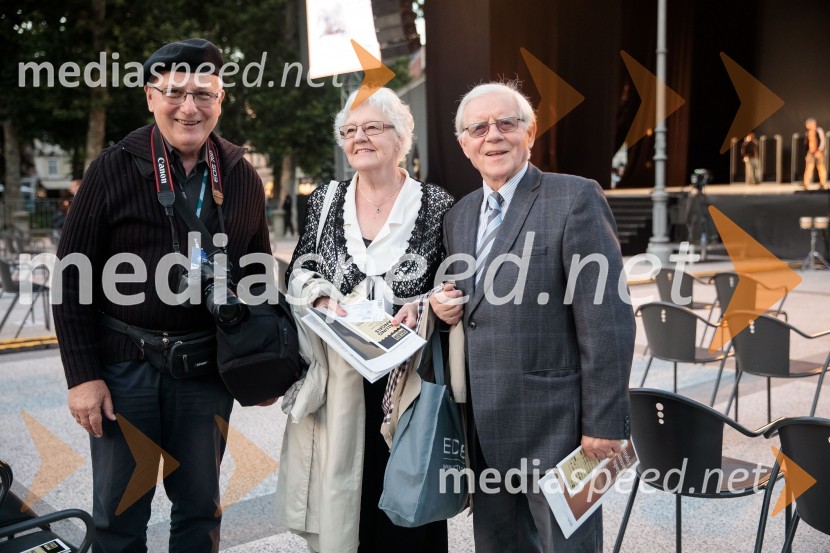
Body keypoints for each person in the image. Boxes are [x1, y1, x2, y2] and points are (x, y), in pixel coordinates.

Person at [53, 38, 273, 552]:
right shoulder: (114, 167)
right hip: (124, 371)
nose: (189, 107)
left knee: (200, 511)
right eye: (174, 92)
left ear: (221, 100)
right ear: (150, 98)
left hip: (205, 370)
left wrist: (264, 362)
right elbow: (71, 277)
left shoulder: (240, 175)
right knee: (119, 516)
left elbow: (259, 275)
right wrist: (83, 378)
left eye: (204, 93)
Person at [400, 82, 634, 553]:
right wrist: (441, 307)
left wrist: (606, 422)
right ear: (464, 144)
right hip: (484, 427)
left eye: (507, 123)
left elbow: (607, 319)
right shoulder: (460, 216)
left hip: (561, 430)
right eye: (478, 128)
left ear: (530, 133)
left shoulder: (575, 198)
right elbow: (475, 301)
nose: (494, 135)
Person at [275, 87, 453, 553]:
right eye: (350, 131)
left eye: (373, 127)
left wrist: (429, 301)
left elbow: (454, 281)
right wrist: (318, 297)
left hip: (407, 383)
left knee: (409, 506)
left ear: (401, 136)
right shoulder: (325, 200)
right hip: (341, 381)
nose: (360, 138)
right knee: (346, 504)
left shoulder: (436, 204)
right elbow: (300, 270)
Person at [803, 117, 827, 189]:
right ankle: (806, 183)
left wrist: (819, 150)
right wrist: (807, 152)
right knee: (809, 167)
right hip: (811, 152)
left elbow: (822, 141)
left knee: (821, 167)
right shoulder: (807, 133)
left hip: (818, 152)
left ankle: (822, 183)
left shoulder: (818, 131)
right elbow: (806, 143)